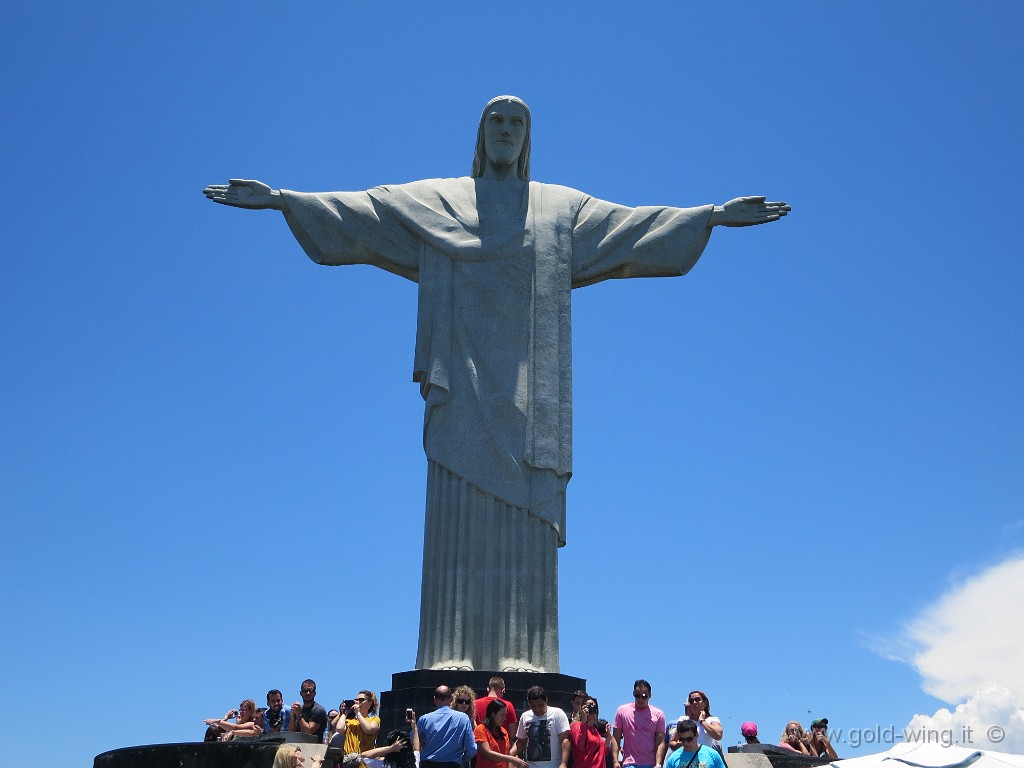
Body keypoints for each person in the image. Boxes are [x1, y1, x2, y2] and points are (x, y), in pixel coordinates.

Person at [204, 96, 789, 674]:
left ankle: (527, 655)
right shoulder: (439, 202)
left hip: (532, 396)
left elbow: (633, 227)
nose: (506, 129)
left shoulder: (558, 210)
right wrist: (285, 200)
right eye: (496, 120)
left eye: (517, 122)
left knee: (524, 517)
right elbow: (365, 213)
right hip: (460, 383)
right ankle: (445, 655)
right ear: (480, 133)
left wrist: (708, 216)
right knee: (457, 512)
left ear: (528, 137)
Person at [418, 686, 477, 768]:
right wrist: (461, 761)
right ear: (452, 698)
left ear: (435, 700)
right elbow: (472, 749)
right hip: (452, 764)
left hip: (428, 764)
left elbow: (413, 742)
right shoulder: (463, 718)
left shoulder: (424, 719)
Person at [611, 680, 665, 768]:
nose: (640, 699)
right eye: (637, 696)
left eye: (644, 696)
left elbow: (660, 743)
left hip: (650, 764)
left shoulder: (659, 714)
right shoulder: (622, 711)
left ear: (650, 696)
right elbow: (616, 738)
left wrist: (658, 764)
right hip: (629, 763)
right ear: (633, 694)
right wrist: (615, 761)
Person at [514, 685, 570, 768]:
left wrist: (564, 763)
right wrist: (509, 755)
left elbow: (565, 740)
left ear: (546, 700)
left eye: (540, 705)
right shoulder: (525, 716)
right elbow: (521, 742)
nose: (537, 709)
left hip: (553, 765)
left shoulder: (557, 714)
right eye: (533, 706)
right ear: (529, 703)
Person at [476, 700, 528, 768]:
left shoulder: (504, 732)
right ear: (493, 714)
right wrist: (512, 759)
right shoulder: (481, 730)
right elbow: (487, 753)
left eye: (505, 715)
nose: (504, 718)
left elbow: (507, 754)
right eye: (502, 715)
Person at [569, 696, 606, 768]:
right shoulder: (576, 725)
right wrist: (583, 719)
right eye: (588, 706)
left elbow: (601, 753)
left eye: (593, 706)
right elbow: (580, 745)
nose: (591, 708)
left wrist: (608, 738)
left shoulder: (595, 730)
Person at [344, 690, 382, 758]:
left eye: (361, 700)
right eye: (356, 700)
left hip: (366, 762)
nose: (358, 702)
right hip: (349, 762)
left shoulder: (374, 719)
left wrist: (358, 713)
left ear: (369, 704)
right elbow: (338, 729)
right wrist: (344, 712)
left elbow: (368, 729)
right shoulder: (349, 721)